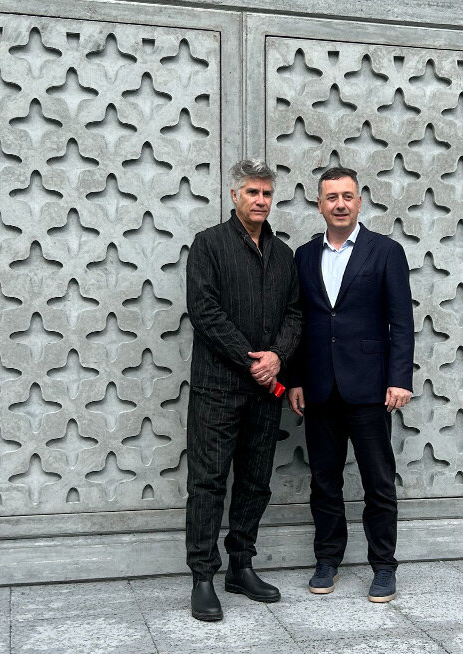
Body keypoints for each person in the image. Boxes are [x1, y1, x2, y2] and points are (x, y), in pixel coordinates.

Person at [288, 167, 414, 603]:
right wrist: (296, 380)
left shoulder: (386, 251)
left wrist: (399, 379)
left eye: (347, 196)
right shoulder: (304, 255)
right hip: (319, 388)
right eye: (331, 197)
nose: (339, 204)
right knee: (324, 482)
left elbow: (402, 321)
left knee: (378, 482)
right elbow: (299, 323)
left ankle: (384, 566)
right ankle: (327, 560)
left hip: (370, 388)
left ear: (359, 202)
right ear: (319, 204)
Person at [185, 159, 302, 621]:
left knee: (255, 481)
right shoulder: (209, 244)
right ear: (234, 195)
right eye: (252, 192)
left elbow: (295, 313)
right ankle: (202, 577)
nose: (260, 200)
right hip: (218, 388)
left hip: (265, 391)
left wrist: (277, 357)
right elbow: (204, 311)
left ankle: (241, 565)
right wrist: (252, 360)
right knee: (208, 482)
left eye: (267, 193)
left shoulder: (284, 254)